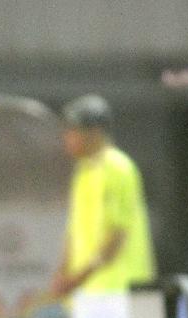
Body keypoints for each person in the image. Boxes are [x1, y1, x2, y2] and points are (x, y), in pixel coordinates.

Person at [51, 94, 156, 299]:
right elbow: (75, 230)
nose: (67, 138)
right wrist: (64, 271)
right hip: (90, 291)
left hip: (119, 290)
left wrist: (77, 279)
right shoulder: (84, 171)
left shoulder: (117, 168)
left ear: (95, 132)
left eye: (74, 131)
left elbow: (116, 237)